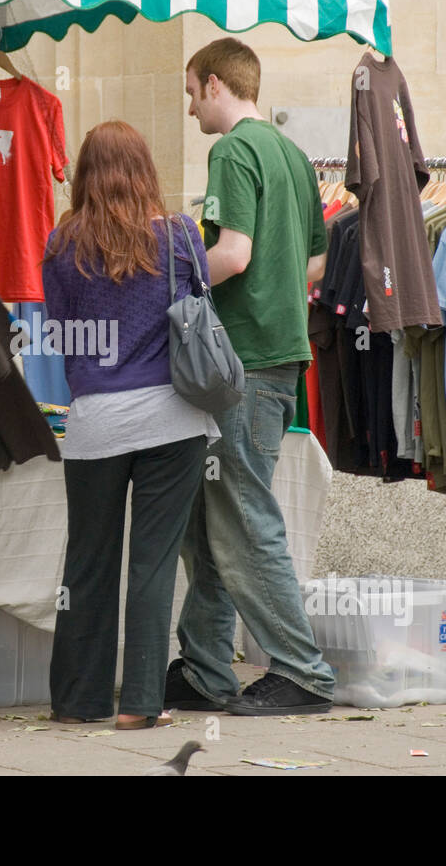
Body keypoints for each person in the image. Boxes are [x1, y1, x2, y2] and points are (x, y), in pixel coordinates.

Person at [168, 38, 336, 715]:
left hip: (240, 364)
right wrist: (276, 301)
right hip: (275, 356)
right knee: (213, 517)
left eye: (188, 92)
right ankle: (206, 669)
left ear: (214, 84)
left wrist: (168, 279)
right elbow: (317, 263)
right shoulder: (293, 155)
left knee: (240, 517)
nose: (187, 108)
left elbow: (232, 253)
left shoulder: (232, 150)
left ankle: (301, 672)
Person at [43, 120, 216, 729]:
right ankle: (141, 704)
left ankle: (78, 700)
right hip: (172, 418)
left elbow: (60, 332)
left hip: (94, 423)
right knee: (153, 562)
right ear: (145, 171)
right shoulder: (180, 235)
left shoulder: (61, 245)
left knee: (86, 563)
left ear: (85, 174)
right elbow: (201, 312)